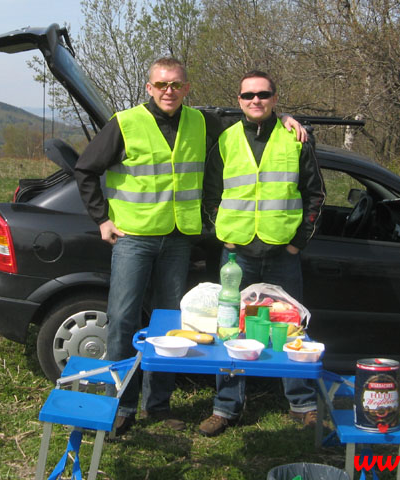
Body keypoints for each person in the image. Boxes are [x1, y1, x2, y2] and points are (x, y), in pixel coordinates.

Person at [74, 58, 307, 436]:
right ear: (148, 87)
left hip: (180, 239)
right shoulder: (125, 122)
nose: (169, 91)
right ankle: (120, 405)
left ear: (187, 88)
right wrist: (101, 218)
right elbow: (85, 169)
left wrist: (285, 120)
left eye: (177, 85)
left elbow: (251, 122)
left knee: (169, 326)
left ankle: (157, 405)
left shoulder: (201, 122)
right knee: (123, 322)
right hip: (134, 238)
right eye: (162, 85)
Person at [199, 70, 325, 437]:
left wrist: (297, 242)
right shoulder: (224, 138)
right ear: (238, 100)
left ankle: (302, 405)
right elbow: (209, 192)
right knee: (229, 329)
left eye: (263, 94)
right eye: (248, 95)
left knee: (291, 330)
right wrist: (220, 233)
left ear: (275, 97)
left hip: (282, 251)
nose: (256, 100)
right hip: (237, 256)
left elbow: (316, 194)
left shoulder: (295, 138)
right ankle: (225, 408)